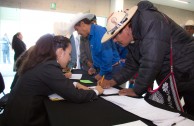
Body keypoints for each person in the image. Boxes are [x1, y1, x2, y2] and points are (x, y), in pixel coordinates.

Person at [100, 1, 194, 116]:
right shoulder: (134, 35)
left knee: (189, 113)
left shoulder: (151, 21)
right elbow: (131, 65)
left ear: (126, 27)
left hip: (188, 71)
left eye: (115, 36)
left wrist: (137, 90)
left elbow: (151, 61)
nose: (114, 40)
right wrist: (112, 81)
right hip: (171, 75)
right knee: (164, 112)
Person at [2, 34, 103, 126]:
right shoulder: (49, 67)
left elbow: (54, 82)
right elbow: (76, 96)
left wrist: (75, 84)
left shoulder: (42, 63)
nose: (69, 58)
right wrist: (96, 91)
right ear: (60, 52)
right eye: (69, 54)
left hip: (16, 115)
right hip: (25, 120)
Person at [68, 13, 121, 81]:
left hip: (111, 70)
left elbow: (107, 57)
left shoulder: (100, 33)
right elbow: (98, 54)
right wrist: (94, 67)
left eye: (77, 29)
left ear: (82, 24)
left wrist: (100, 74)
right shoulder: (91, 35)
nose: (78, 33)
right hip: (104, 69)